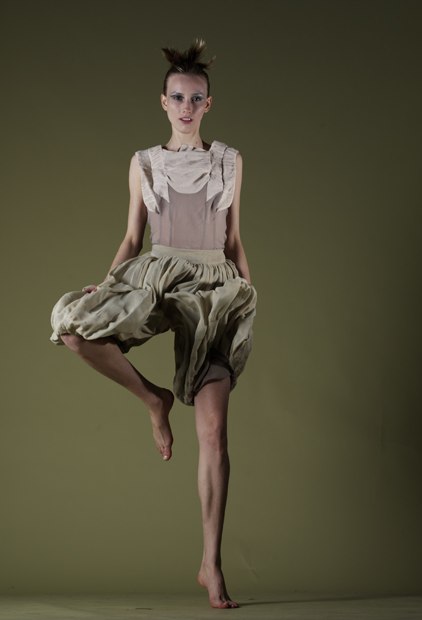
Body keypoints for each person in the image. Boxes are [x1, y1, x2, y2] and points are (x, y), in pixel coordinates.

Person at [50, 38, 257, 609]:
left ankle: (211, 565)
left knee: (213, 432)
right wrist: (106, 284)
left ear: (208, 104)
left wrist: (247, 294)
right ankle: (152, 398)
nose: (186, 106)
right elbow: (132, 237)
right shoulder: (145, 163)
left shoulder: (229, 160)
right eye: (177, 97)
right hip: (158, 276)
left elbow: (234, 239)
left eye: (196, 98)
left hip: (215, 290)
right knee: (73, 329)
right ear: (163, 102)